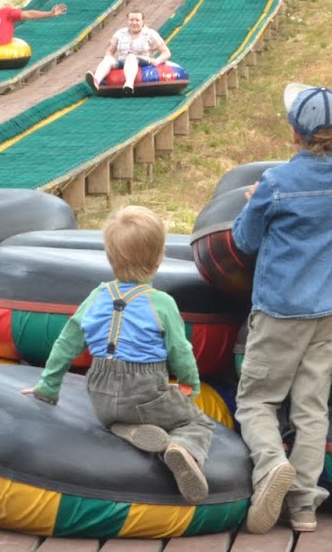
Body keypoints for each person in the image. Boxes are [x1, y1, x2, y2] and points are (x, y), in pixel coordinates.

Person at [230, 85, 332, 535]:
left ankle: (270, 468)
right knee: (311, 407)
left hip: (281, 310)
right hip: (331, 308)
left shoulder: (275, 183)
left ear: (293, 133)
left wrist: (252, 203)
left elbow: (244, 241)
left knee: (256, 401)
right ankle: (304, 504)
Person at [23, 205, 219, 503]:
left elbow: (67, 343)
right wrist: (189, 387)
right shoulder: (161, 302)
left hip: (100, 394)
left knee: (115, 414)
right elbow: (181, 351)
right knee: (197, 422)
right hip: (144, 392)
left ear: (110, 256)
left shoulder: (97, 295)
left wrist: (47, 388)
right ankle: (183, 450)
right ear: (158, 258)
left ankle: (125, 429)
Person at [85, 11, 170, 94]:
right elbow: (110, 51)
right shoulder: (120, 33)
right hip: (122, 60)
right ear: (127, 21)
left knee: (131, 57)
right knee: (108, 60)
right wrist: (107, 59)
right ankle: (96, 81)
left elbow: (166, 52)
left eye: (137, 20)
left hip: (142, 60)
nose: (134, 23)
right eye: (131, 20)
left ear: (142, 22)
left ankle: (129, 83)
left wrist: (157, 61)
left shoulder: (150, 34)